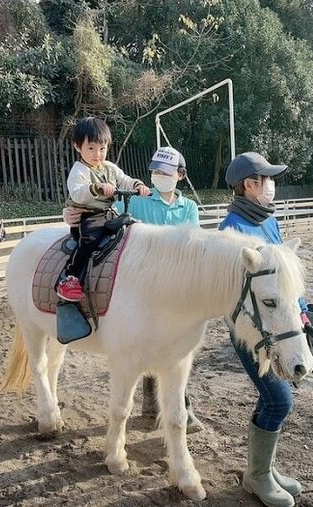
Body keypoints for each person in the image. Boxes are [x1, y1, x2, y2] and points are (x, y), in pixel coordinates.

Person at [219, 151, 309, 507]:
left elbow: (285, 278)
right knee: (279, 398)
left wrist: (300, 312)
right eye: (266, 180)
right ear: (248, 185)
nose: (271, 186)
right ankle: (257, 476)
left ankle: (264, 471)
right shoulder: (232, 232)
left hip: (280, 323)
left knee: (275, 399)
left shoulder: (267, 220)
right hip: (253, 332)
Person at [117, 146, 202, 433]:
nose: (159, 177)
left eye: (165, 173)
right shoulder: (139, 202)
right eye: (155, 172)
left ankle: (174, 406)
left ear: (179, 176)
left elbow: (193, 244)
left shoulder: (188, 207)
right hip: (144, 285)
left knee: (177, 347)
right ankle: (159, 406)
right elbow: (115, 218)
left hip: (177, 287)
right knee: (148, 343)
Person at [56, 117, 150, 302]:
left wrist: (139, 185)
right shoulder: (79, 170)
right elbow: (77, 193)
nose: (97, 154)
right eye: (91, 148)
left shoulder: (110, 168)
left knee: (132, 229)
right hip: (88, 216)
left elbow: (125, 180)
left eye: (102, 148)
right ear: (77, 147)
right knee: (90, 240)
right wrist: (96, 187)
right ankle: (70, 278)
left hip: (108, 214)